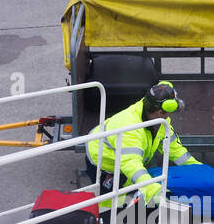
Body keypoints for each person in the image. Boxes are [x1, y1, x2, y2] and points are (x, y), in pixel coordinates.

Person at [85, 81, 201, 214]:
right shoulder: (130, 127)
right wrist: (152, 190)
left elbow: (174, 148)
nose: (170, 116)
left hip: (124, 161)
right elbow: (131, 164)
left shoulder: (159, 119)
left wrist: (197, 168)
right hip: (105, 163)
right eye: (169, 112)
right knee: (112, 202)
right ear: (160, 111)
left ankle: (124, 219)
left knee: (131, 195)